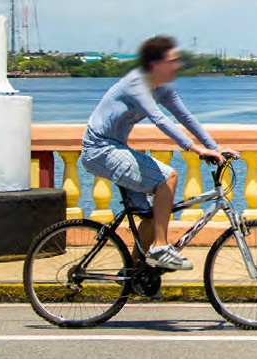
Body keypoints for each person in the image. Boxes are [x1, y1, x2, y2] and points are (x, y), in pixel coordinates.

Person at [80, 35, 237, 271]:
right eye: (172, 61)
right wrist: (195, 149)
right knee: (168, 177)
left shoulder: (162, 89)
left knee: (153, 214)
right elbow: (160, 120)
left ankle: (135, 271)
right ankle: (160, 247)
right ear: (155, 64)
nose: (178, 65)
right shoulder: (137, 84)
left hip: (116, 148)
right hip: (100, 149)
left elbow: (185, 117)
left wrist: (214, 147)